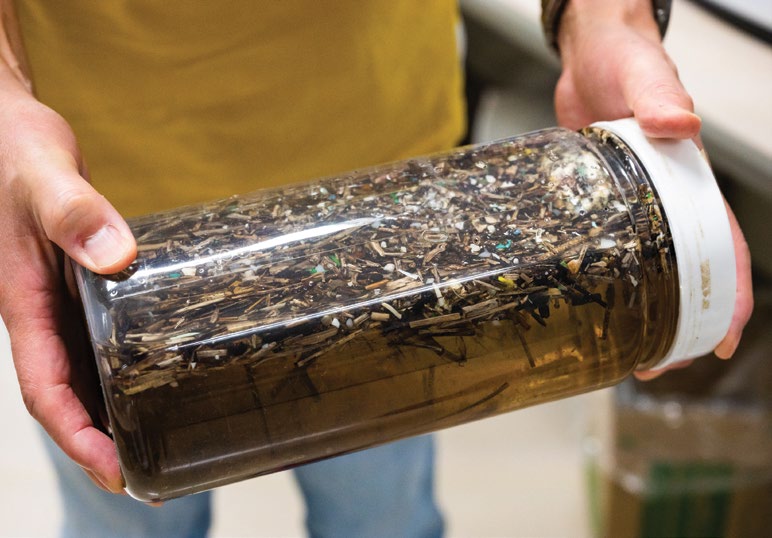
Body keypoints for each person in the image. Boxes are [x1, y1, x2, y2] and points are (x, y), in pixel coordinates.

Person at [0, 1, 753, 537]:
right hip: (108, 226)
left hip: (406, 224)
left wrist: (603, 14)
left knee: (381, 513)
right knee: (129, 506)